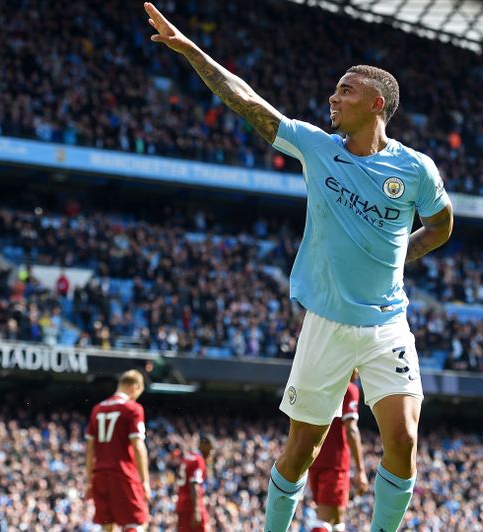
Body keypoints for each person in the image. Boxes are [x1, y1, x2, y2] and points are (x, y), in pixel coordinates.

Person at [145, 4, 453, 531]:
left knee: (403, 439)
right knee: (301, 451)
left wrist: (404, 254)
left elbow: (443, 225)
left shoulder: (416, 168)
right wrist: (192, 50)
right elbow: (247, 101)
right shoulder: (316, 146)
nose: (333, 98)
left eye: (345, 91)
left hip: (386, 324)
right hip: (327, 324)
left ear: (376, 104)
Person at [85, 370, 151, 531]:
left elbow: (89, 449)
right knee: (136, 522)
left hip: (100, 474)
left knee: (107, 525)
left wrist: (89, 481)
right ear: (135, 387)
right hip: (122, 473)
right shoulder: (133, 408)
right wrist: (145, 481)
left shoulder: (97, 409)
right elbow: (138, 446)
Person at [308, 373, 368, 532]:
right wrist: (361, 470)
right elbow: (351, 430)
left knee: (337, 517)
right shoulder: (349, 389)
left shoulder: (319, 385)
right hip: (335, 463)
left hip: (315, 460)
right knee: (324, 520)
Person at [176, 435, 215, 532]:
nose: (211, 453)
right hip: (191, 505)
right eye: (210, 449)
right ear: (204, 445)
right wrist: (197, 510)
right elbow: (194, 485)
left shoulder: (188, 456)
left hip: (182, 504)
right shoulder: (198, 460)